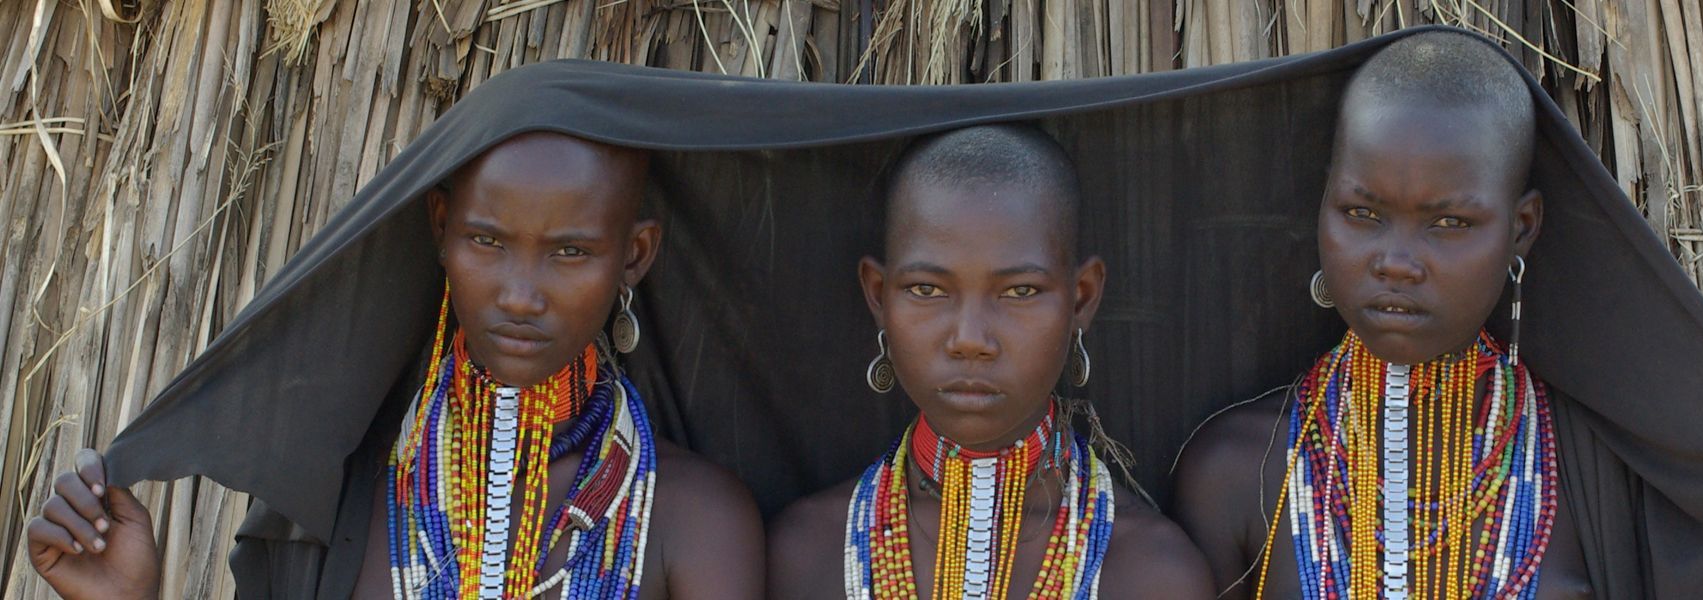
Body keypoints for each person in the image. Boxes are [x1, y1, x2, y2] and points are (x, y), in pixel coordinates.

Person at [1169, 31, 1703, 599]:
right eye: (1362, 213)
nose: (1396, 261)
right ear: (1321, 206)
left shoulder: (1599, 466)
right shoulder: (1237, 471)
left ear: (1522, 228)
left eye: (1448, 221)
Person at [26, 132, 764, 599]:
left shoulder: (696, 522)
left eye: (570, 252)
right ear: (441, 229)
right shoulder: (337, 495)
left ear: (634, 255)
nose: (519, 294)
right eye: (486, 241)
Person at [768, 124, 1211, 599]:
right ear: (878, 295)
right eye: (927, 290)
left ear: (1081, 299)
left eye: (1020, 291)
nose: (970, 340)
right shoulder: (809, 553)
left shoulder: (1152, 573)